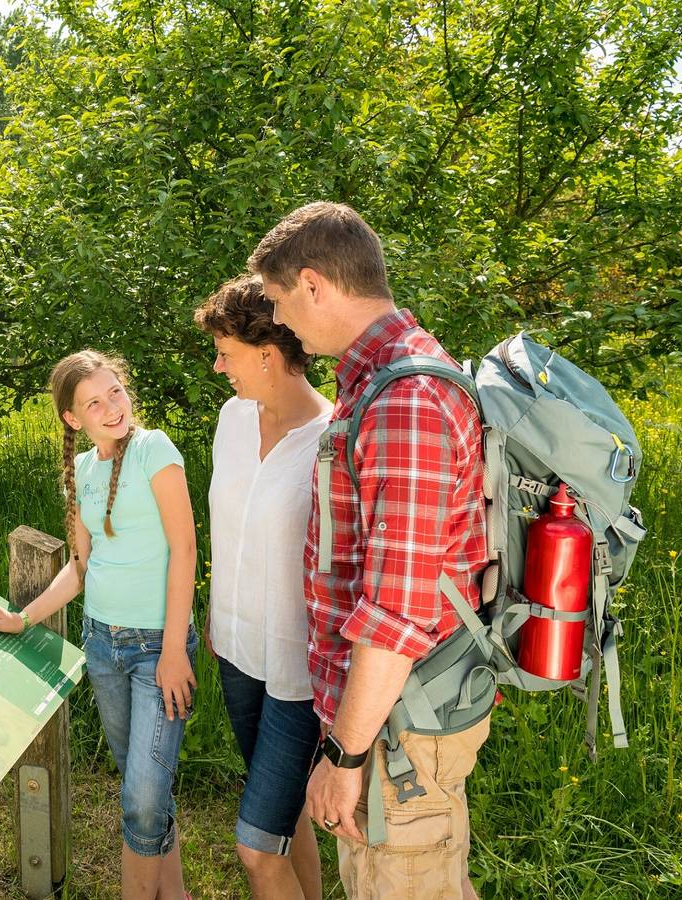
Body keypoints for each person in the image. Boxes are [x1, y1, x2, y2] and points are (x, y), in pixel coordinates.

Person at [248, 202, 489, 900]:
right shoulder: (384, 377)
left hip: (397, 728)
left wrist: (345, 755)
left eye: (280, 299)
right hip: (393, 718)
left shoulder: (405, 399)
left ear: (316, 285)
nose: (280, 319)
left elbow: (396, 611)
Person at [0, 350, 199, 900]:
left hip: (155, 651)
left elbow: (185, 549)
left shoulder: (153, 450)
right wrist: (23, 618)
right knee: (146, 788)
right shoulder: (82, 470)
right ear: (74, 419)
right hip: (102, 646)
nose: (111, 407)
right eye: (94, 403)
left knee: (143, 798)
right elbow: (80, 568)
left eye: (115, 391)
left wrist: (172, 649)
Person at [193, 274, 333, 899]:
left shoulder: (332, 440)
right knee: (286, 815)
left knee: (255, 847)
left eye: (227, 353)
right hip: (236, 653)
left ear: (269, 357)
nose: (220, 367)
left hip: (299, 673)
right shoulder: (231, 418)